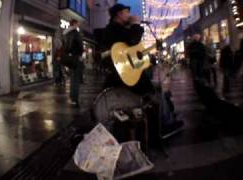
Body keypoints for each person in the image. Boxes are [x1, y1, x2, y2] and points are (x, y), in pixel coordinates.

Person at [101, 3, 183, 137]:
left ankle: (167, 116)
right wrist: (135, 24)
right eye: (127, 12)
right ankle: (165, 124)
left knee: (159, 89)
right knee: (155, 90)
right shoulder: (112, 29)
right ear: (119, 14)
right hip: (123, 78)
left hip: (128, 74)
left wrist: (146, 57)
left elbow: (130, 49)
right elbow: (132, 40)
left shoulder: (119, 29)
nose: (129, 15)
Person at [63, 19, 83, 107]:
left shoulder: (66, 34)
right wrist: (80, 54)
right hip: (76, 57)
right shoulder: (76, 33)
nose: (78, 25)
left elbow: (66, 47)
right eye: (77, 23)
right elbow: (80, 46)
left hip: (69, 58)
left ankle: (72, 98)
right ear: (74, 24)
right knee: (76, 79)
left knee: (72, 78)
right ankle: (75, 99)